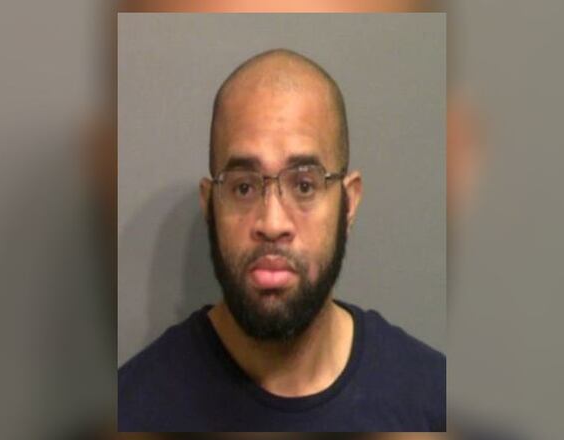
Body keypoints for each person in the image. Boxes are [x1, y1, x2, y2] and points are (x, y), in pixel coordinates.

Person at [118, 48, 445, 432]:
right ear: (210, 205)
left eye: (304, 185)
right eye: (243, 188)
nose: (272, 223)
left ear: (349, 202)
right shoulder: (131, 409)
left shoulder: (431, 401)